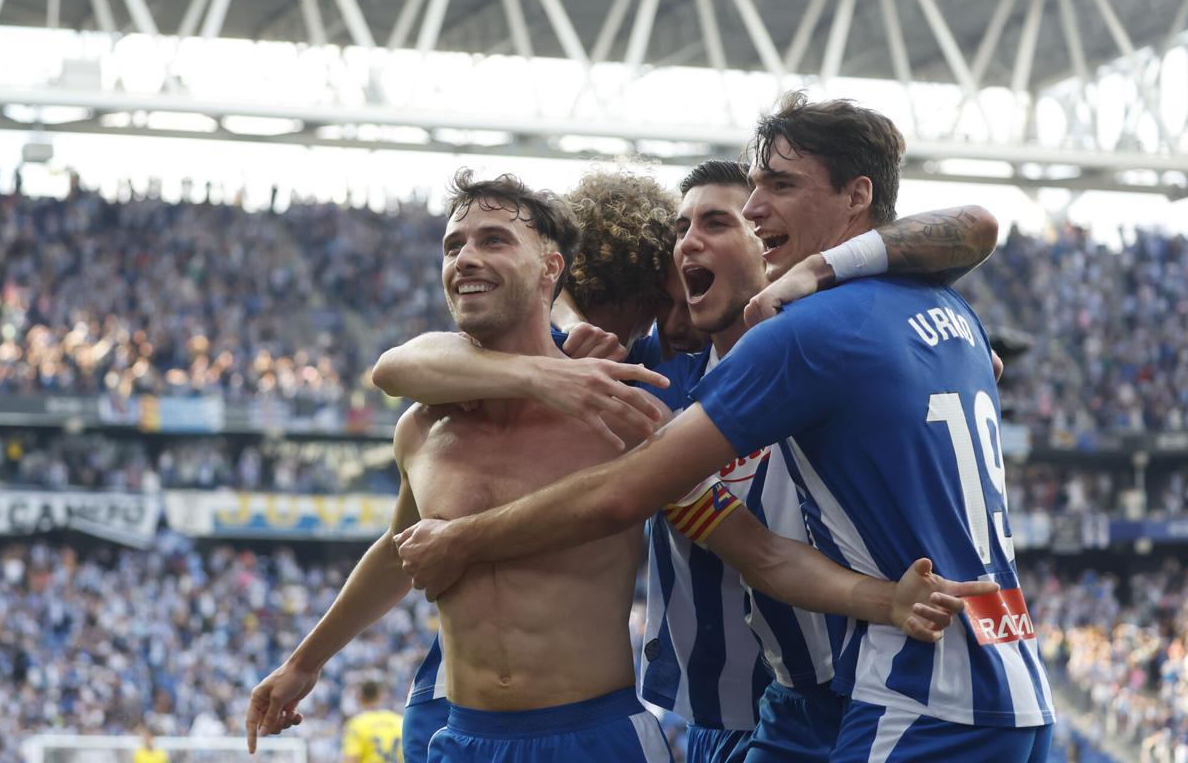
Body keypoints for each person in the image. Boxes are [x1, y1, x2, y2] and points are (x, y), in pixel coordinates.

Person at [395, 93, 1053, 763]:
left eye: (746, 207)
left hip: (886, 689)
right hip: (777, 704)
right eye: (680, 232)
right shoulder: (662, 377)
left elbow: (629, 497)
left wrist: (465, 541)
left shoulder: (808, 337)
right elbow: (406, 364)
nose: (694, 242)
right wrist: (538, 372)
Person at [399, 168, 702, 761]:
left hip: (596, 729)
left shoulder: (638, 402)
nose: (666, 325)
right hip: (460, 727)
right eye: (455, 244)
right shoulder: (425, 421)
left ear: (554, 269)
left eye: (493, 240)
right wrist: (305, 661)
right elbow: (394, 367)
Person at [344, 681, 405, 763]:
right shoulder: (399, 720)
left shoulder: (356, 724)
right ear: (380, 696)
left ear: (360, 697)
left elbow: (351, 759)